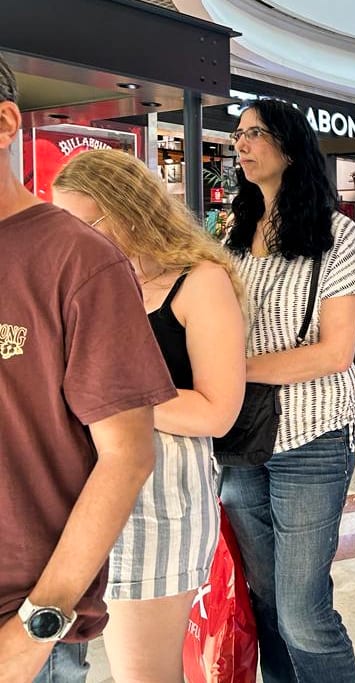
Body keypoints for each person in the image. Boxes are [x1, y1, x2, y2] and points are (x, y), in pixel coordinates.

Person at [0, 56, 176, 681]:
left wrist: (34, 630)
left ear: (4, 123)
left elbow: (127, 454)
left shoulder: (77, 260)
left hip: (19, 622)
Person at [52, 150, 246, 682]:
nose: (67, 239)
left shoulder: (198, 281)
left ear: (127, 209)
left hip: (162, 500)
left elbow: (216, 412)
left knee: (144, 674)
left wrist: (104, 396)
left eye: (82, 223)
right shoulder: (84, 282)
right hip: (79, 497)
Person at [221, 98, 355, 682]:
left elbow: (336, 352)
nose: (242, 144)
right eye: (237, 136)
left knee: (304, 612)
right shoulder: (233, 232)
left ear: (289, 144)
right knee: (266, 599)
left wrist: (231, 370)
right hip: (240, 433)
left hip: (313, 434)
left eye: (255, 133)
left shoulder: (337, 233)